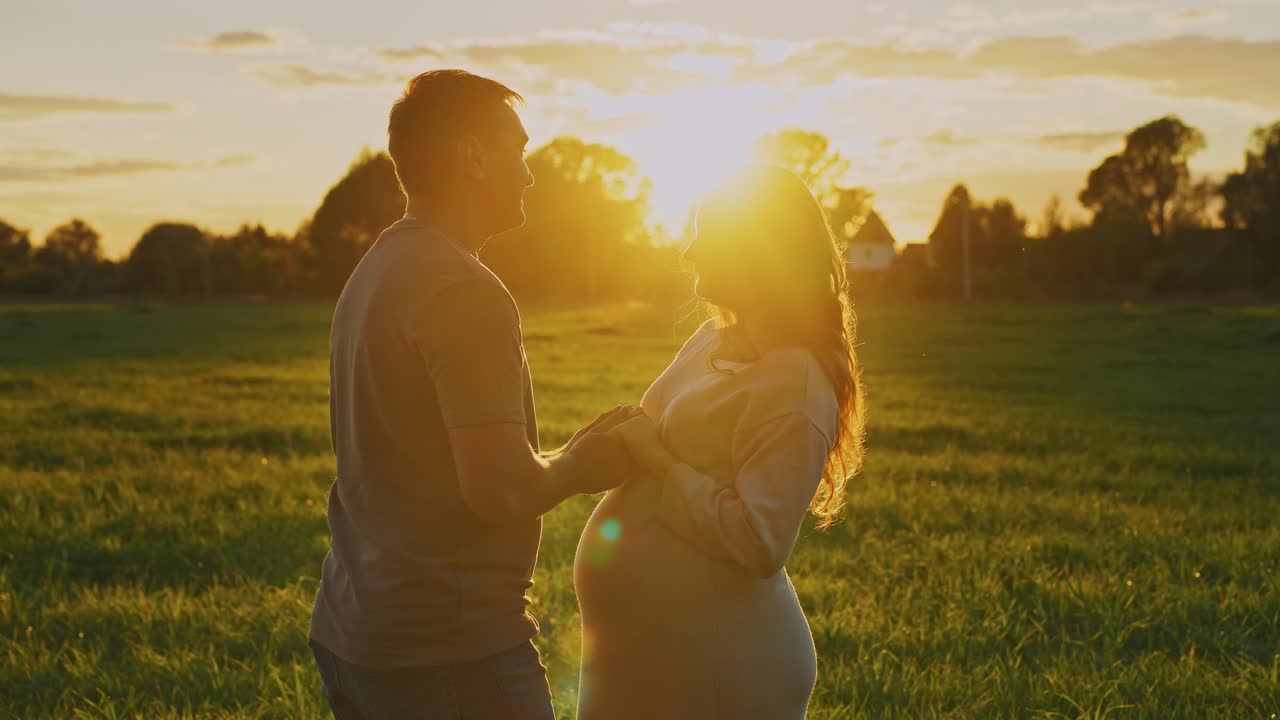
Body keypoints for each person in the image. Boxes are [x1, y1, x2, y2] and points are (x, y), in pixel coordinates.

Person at [308, 69, 638, 720]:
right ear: (473, 157)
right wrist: (584, 463)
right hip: (448, 653)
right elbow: (501, 491)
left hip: (358, 632)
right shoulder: (463, 288)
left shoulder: (376, 269)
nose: (529, 173)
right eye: (517, 151)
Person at [573, 165, 867, 719]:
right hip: (648, 653)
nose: (689, 253)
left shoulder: (795, 379)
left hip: (718, 662)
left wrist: (656, 459)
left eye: (708, 237)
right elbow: (672, 442)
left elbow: (759, 540)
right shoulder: (712, 339)